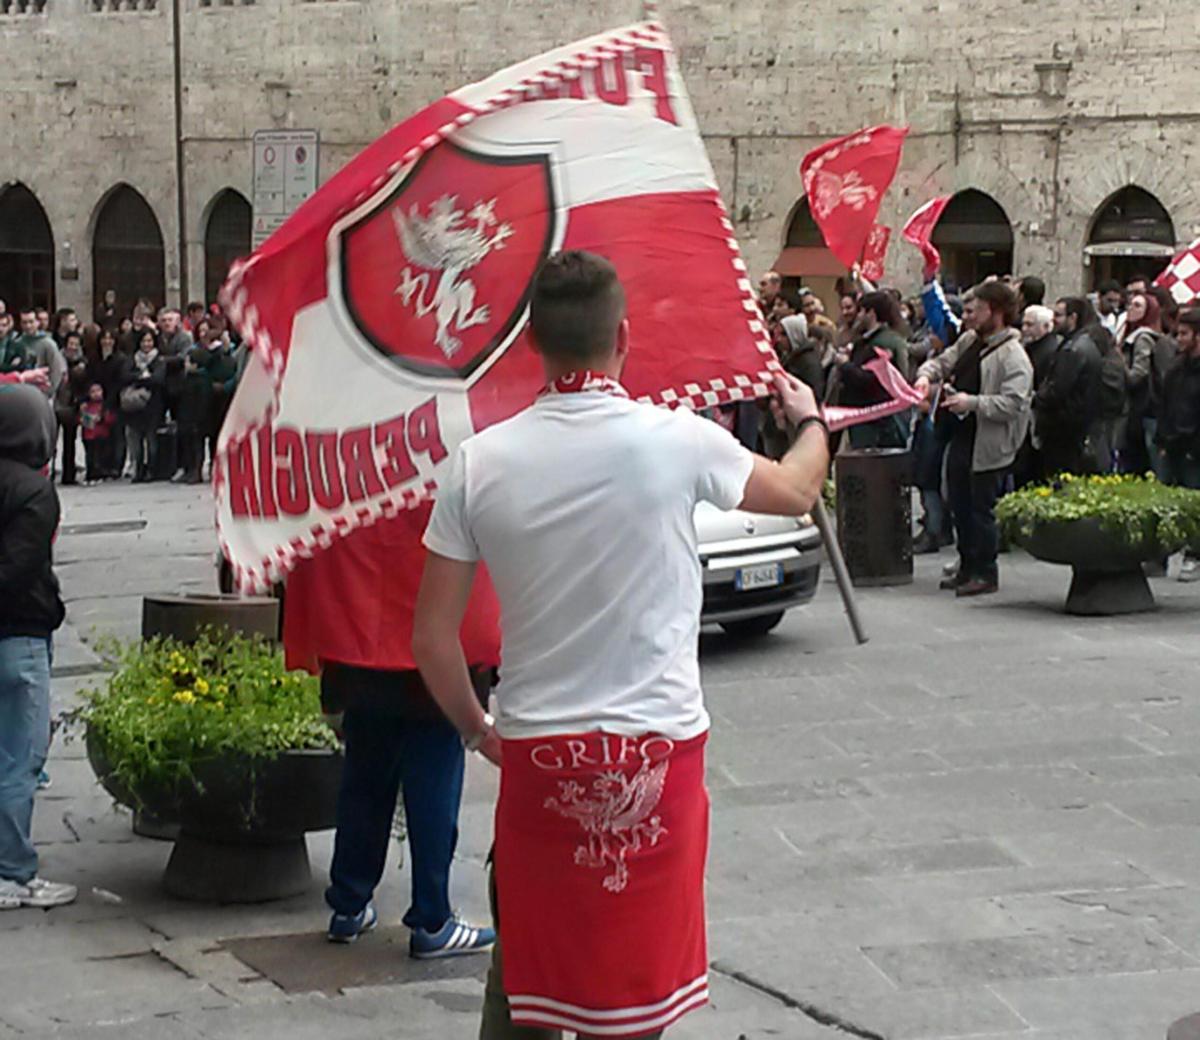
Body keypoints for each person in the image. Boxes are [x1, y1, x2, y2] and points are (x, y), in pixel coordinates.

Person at [412, 251, 829, 1039]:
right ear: (624, 336)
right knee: (636, 1006)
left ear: (530, 340)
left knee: (534, 986)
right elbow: (798, 491)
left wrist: (478, 730)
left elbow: (432, 636)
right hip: (657, 756)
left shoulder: (480, 463)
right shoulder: (678, 442)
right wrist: (807, 417)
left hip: (540, 757)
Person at [283, 507, 499, 955]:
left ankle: (349, 902)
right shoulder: (453, 449)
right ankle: (432, 917)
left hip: (359, 631)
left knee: (364, 777)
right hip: (435, 643)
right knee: (435, 780)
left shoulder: (353, 448)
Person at [0, 384, 75, 911]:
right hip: (20, 634)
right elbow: (19, 566)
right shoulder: (33, 490)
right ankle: (11, 873)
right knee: (20, 759)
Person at [915, 281, 1033, 597]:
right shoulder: (970, 340)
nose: (969, 317)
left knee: (982, 511)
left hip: (989, 444)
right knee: (959, 505)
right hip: (959, 436)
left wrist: (973, 402)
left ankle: (985, 572)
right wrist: (926, 376)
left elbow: (1014, 403)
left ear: (995, 312)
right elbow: (943, 361)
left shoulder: (1013, 356)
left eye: (976, 310)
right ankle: (966, 565)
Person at [1035, 298, 1105, 476]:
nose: (1054, 320)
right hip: (1074, 427)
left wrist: (1036, 398)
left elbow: (1056, 391)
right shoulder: (1082, 344)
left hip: (1064, 430)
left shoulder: (1073, 350)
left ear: (1073, 318)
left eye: (1058, 315)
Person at [836, 290, 910, 449]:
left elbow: (873, 380)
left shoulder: (883, 343)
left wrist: (845, 365)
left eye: (861, 310)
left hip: (876, 423)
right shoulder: (867, 341)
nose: (858, 316)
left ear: (871, 313)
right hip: (864, 418)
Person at [1121, 291, 1172, 477]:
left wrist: (1119, 366)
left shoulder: (1142, 338)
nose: (1130, 309)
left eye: (1137, 305)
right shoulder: (1131, 333)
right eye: (1130, 304)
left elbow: (1138, 374)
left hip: (1143, 407)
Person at [121, 329, 166, 483]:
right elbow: (124, 376)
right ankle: (138, 469)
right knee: (136, 440)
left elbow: (159, 379)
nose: (147, 344)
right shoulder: (132, 359)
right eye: (144, 341)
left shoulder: (159, 359)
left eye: (149, 341)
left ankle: (152, 470)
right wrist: (142, 377)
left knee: (151, 439)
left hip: (153, 406)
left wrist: (140, 379)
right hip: (135, 407)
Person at [54, 331, 90, 487]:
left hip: (72, 405)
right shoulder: (57, 358)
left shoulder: (83, 363)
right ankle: (51, 472)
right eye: (71, 343)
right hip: (57, 402)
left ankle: (69, 475)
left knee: (70, 440)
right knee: (52, 441)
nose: (73, 347)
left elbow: (85, 385)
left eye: (76, 344)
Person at [5, 311, 65, 400]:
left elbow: (56, 370)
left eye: (31, 322)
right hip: (22, 393)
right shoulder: (16, 343)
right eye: (24, 322)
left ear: (37, 322)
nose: (28, 326)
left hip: (43, 393)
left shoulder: (48, 344)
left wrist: (49, 392)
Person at [79, 383, 115, 484]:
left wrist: (102, 418)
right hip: (89, 434)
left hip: (102, 433)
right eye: (93, 392)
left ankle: (100, 473)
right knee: (90, 455)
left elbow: (111, 419)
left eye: (98, 391)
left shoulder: (105, 405)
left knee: (101, 455)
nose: (96, 394)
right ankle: (90, 474)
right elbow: (81, 419)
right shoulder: (86, 406)